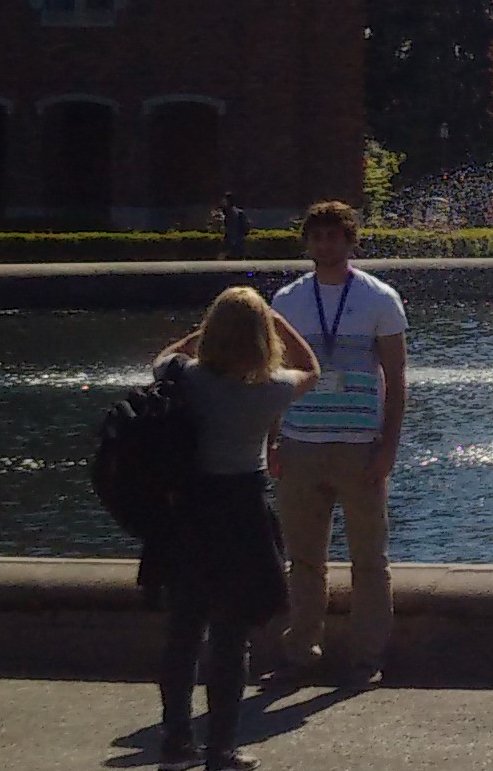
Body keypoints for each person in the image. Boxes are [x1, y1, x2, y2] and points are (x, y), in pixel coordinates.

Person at [151, 287, 317, 770]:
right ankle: (221, 747)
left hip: (189, 511)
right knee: (231, 636)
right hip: (242, 513)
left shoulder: (185, 377)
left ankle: (175, 743)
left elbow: (164, 357)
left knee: (183, 632)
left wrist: (201, 334)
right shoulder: (271, 388)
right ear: (262, 337)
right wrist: (278, 322)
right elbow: (313, 369)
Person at [266, 201, 407, 686]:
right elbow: (273, 374)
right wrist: (273, 441)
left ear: (351, 241)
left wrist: (388, 448)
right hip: (300, 442)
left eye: (334, 236)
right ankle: (301, 651)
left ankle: (367, 657)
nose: (325, 245)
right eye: (317, 237)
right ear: (307, 242)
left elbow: (397, 377)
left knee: (369, 560)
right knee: (304, 559)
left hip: (359, 446)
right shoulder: (286, 300)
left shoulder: (379, 298)